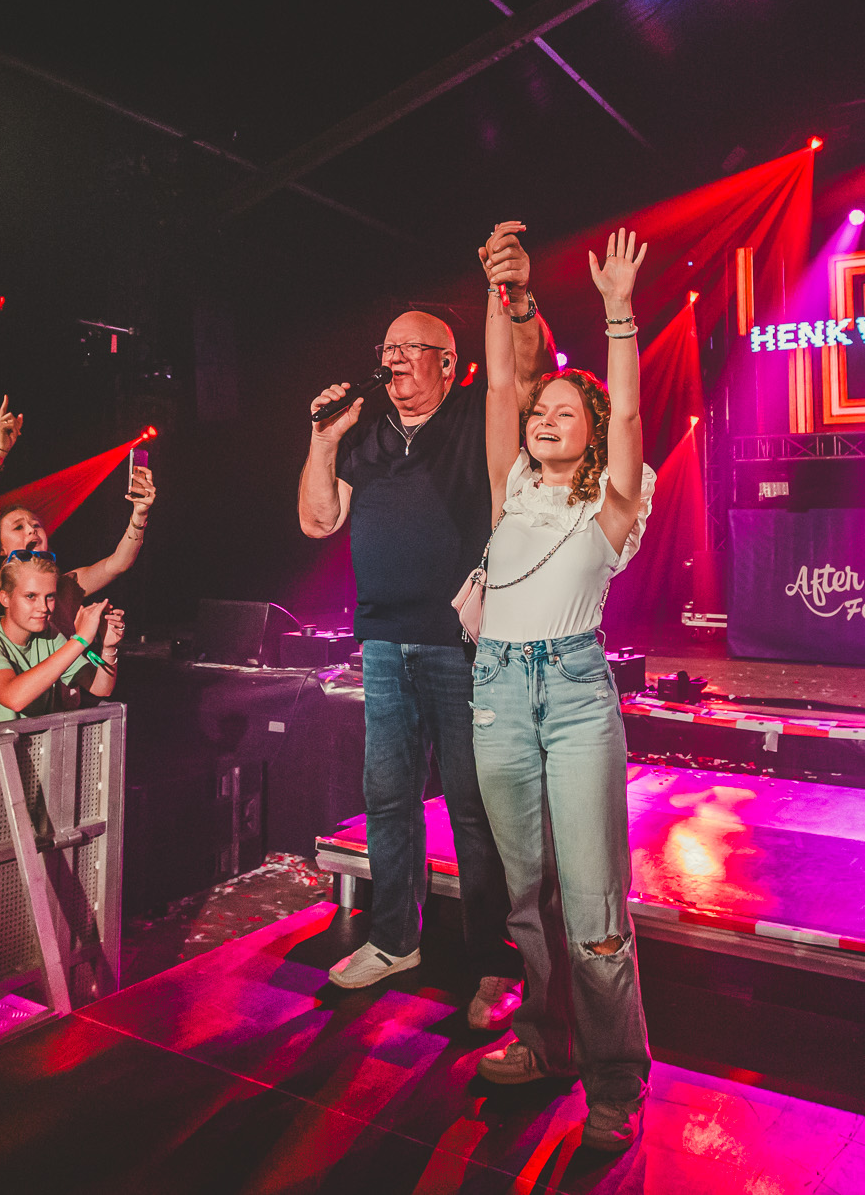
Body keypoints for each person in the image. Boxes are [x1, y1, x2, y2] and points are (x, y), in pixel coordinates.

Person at [298, 225, 549, 1031]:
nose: (397, 359)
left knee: (474, 808)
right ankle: (393, 940)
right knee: (387, 798)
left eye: (415, 349)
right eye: (389, 349)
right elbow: (316, 520)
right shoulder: (366, 437)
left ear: (449, 363)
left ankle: (494, 962)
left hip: (461, 648)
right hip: (382, 644)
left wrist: (515, 296)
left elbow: (525, 369)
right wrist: (322, 439)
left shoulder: (477, 415)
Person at [466, 225, 657, 1155]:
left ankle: (615, 1083)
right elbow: (501, 385)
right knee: (527, 896)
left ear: (590, 432)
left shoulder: (614, 500)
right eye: (540, 409)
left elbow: (627, 420)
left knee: (593, 910)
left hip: (576, 694)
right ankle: (546, 1044)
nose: (543, 416)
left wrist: (619, 315)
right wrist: (501, 292)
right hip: (497, 690)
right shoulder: (511, 483)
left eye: (563, 412)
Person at [0, 395, 157, 633]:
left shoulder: (66, 587)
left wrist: (140, 514)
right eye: (18, 527)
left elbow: (118, 564)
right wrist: (0, 451)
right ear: (0, 548)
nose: (31, 530)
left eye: (36, 525)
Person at [0, 551, 122, 728]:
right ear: (5, 598)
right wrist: (80, 639)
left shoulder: (49, 635)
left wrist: (108, 646)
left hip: (32, 746)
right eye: (31, 596)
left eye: (50, 596)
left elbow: (101, 687)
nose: (43, 607)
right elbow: (14, 698)